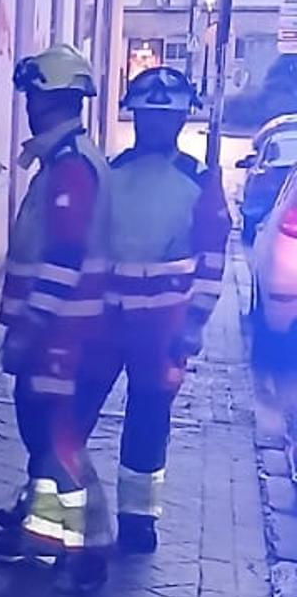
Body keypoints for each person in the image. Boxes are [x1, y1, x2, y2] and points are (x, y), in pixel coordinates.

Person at [78, 63, 229, 552]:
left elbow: (211, 257)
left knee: (148, 421)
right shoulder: (111, 173)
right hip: (105, 319)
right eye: (146, 116)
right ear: (134, 118)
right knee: (75, 413)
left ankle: (138, 519)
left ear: (182, 122)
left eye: (164, 118)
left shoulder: (199, 181)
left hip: (162, 327)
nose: (154, 125)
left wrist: (196, 322)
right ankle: (63, 507)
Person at [0, 43, 112, 590]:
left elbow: (64, 256)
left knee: (57, 440)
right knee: (47, 437)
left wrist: (31, 325)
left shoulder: (71, 168)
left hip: (64, 335)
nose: (29, 104)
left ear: (50, 100)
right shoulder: (70, 160)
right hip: (70, 332)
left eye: (35, 95)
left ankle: (91, 548)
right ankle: (40, 534)